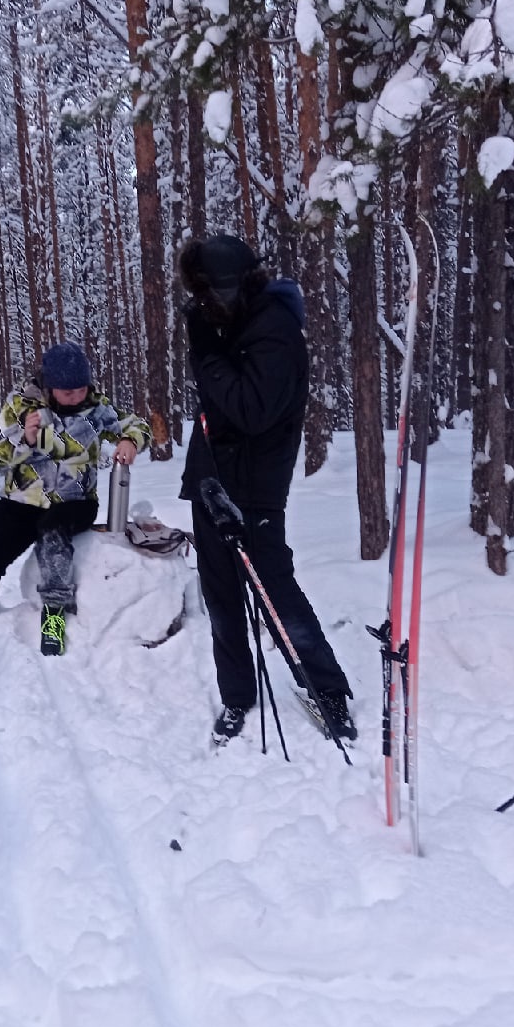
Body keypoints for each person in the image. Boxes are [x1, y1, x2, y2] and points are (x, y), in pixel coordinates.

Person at [178, 234, 356, 743]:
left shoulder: (274, 331)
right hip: (213, 482)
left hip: (253, 491)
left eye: (209, 294)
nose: (204, 305)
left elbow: (250, 410)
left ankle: (327, 691)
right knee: (221, 600)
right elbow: (216, 411)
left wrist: (207, 355)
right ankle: (237, 696)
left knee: (275, 594)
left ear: (231, 286)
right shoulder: (231, 324)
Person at [0, 341, 150, 655]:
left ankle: (54, 611)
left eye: (81, 389)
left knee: (52, 534)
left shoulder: (97, 408)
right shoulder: (20, 406)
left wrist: (131, 441)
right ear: (49, 385)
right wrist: (25, 438)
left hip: (75, 501)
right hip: (21, 501)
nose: (76, 397)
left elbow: (136, 425)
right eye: (67, 392)